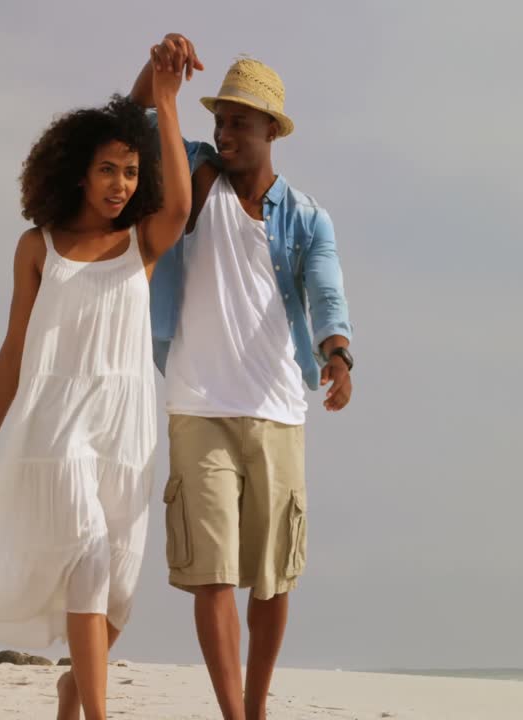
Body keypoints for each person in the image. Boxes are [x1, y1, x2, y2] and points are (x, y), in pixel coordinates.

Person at [0, 60, 192, 720]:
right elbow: (15, 348)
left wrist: (165, 100)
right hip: (56, 419)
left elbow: (182, 204)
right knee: (87, 550)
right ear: (80, 170)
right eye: (109, 168)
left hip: (127, 422)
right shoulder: (37, 246)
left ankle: (72, 691)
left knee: (122, 584)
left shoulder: (143, 241)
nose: (120, 184)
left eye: (132, 172)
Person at [129, 35, 355, 720]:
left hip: (279, 409)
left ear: (270, 131)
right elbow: (133, 120)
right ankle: (235, 714)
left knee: (273, 579)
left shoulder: (308, 217)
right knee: (212, 574)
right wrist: (158, 70)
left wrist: (338, 353)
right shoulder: (192, 170)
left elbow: (327, 293)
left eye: (238, 123)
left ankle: (257, 706)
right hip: (196, 404)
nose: (224, 132)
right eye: (219, 120)